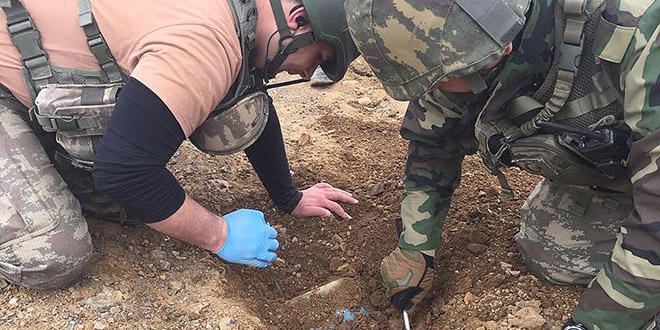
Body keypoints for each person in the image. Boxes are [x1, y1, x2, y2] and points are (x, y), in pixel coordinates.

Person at [0, 0, 360, 290]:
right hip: (6, 90)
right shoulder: (206, 41)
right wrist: (219, 234)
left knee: (125, 207)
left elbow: (249, 99)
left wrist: (289, 197)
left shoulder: (242, 14)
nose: (304, 73)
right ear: (297, 20)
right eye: (318, 59)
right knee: (54, 254)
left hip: (38, 78)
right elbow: (124, 172)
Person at [344, 0, 660, 329]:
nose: (434, 93)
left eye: (439, 81)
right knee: (551, 249)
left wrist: (591, 324)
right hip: (632, 174)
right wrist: (416, 246)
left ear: (500, 50)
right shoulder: (465, 50)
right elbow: (434, 140)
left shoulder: (639, 29)